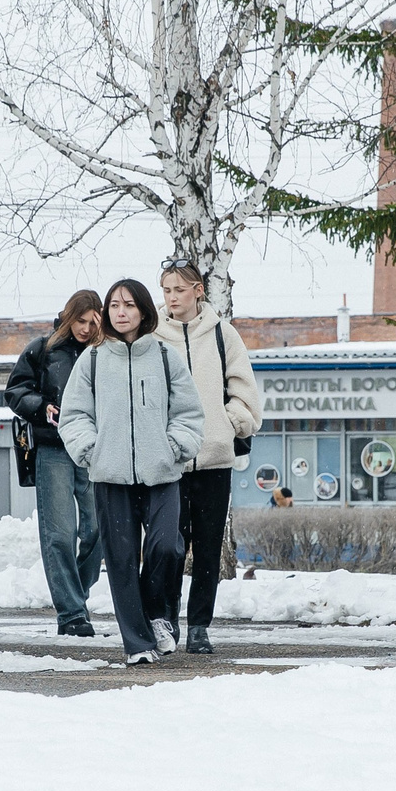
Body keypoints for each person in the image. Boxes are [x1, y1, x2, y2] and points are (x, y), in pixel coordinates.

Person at [56, 277, 203, 665]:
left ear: (144, 311)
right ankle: (137, 644)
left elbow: (188, 411)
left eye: (129, 306)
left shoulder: (166, 355)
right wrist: (90, 450)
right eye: (115, 306)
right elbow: (73, 415)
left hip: (162, 473)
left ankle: (158, 617)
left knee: (166, 547)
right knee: (121, 559)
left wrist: (176, 448)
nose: (121, 313)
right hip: (110, 476)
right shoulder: (92, 358)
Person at [154, 260, 260, 654]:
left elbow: (244, 387)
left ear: (198, 290)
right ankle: (165, 620)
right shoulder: (152, 336)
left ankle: (199, 625)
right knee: (168, 546)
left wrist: (229, 422)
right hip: (168, 462)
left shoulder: (222, 334)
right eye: (166, 290)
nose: (171, 298)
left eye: (178, 290)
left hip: (215, 458)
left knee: (209, 546)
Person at [6, 289, 107, 637]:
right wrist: (41, 406)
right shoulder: (43, 348)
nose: (86, 328)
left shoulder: (107, 350)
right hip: (54, 448)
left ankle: (74, 595)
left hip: (96, 449)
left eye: (94, 321)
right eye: (80, 320)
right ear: (68, 317)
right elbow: (15, 391)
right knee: (59, 535)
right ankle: (72, 613)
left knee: (99, 530)